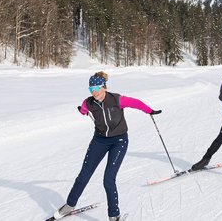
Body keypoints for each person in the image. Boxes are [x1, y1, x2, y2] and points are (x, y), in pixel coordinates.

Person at [52, 71, 161, 221]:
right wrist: (82, 111)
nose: (94, 92)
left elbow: (136, 103)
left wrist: (149, 111)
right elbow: (83, 110)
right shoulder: (88, 103)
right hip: (99, 141)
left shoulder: (117, 99)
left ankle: (114, 215)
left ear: (104, 87)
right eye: (91, 89)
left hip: (119, 141)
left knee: (108, 179)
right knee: (84, 175)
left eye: (97, 88)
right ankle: (70, 205)